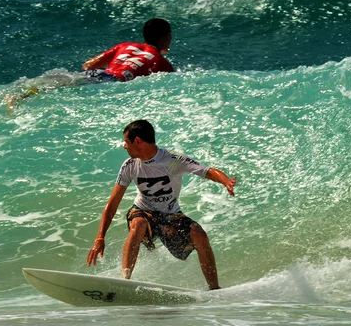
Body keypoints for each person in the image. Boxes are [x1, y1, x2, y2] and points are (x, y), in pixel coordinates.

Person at [86, 119, 237, 290]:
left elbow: (207, 171)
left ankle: (215, 289)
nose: (124, 146)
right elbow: (112, 203)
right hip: (142, 211)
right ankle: (125, 281)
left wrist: (226, 182)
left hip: (170, 214)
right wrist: (100, 237)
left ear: (138, 141)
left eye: (126, 142)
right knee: (139, 223)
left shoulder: (172, 160)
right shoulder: (129, 166)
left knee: (199, 234)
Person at [81, 18, 175, 82]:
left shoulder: (124, 46)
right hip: (112, 81)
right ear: (165, 37)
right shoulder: (161, 62)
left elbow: (87, 66)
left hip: (95, 74)